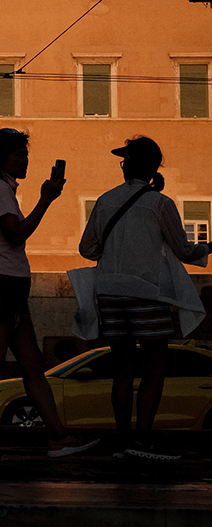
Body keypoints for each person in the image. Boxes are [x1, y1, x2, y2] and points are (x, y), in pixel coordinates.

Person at [0, 127, 99, 459]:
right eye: (19, 154)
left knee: (33, 365)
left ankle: (58, 438)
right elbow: (15, 234)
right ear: (1, 158)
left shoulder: (3, 190)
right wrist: (46, 199)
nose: (25, 160)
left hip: (9, 286)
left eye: (26, 154)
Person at [78, 137, 210, 460]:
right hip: (146, 293)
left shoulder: (105, 201)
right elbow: (182, 249)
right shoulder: (160, 203)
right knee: (155, 366)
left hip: (109, 292)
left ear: (128, 165)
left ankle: (123, 439)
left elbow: (86, 249)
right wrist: (207, 248)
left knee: (123, 367)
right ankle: (142, 439)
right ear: (153, 168)